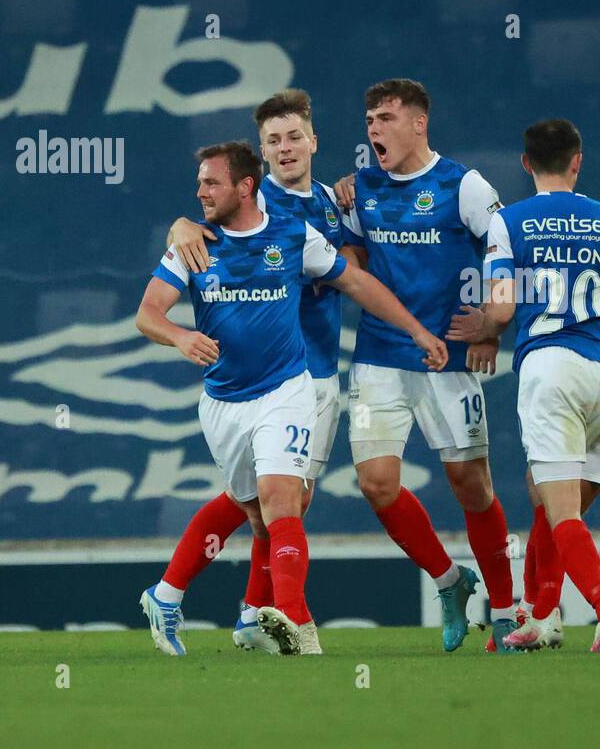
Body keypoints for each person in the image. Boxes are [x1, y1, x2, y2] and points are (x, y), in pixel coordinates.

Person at [136, 141, 447, 657]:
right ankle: (166, 595)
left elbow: (356, 283)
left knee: (283, 497)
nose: (200, 192)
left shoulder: (291, 235)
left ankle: (294, 624)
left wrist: (416, 330)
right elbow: (148, 313)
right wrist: (180, 335)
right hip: (223, 402)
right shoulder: (194, 243)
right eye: (199, 183)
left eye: (211, 182)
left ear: (244, 186)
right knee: (252, 511)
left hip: (287, 389)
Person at [331, 78, 516, 652]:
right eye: (369, 121)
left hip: (448, 360)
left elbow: (503, 247)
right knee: (377, 483)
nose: (374, 130)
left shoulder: (463, 185)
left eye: (385, 118)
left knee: (471, 486)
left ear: (418, 123)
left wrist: (493, 322)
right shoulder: (361, 188)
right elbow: (351, 259)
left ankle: (508, 610)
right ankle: (450, 581)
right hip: (378, 359)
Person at [449, 118, 600, 652]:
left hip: (549, 369)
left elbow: (504, 307)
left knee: (560, 509)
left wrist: (486, 326)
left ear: (525, 163)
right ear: (578, 162)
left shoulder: (509, 223)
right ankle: (540, 616)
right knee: (547, 495)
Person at [165, 90, 351, 653]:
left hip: (320, 371)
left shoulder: (335, 200)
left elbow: (357, 266)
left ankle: (249, 612)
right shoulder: (250, 206)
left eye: (294, 136)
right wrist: (180, 225)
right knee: (276, 501)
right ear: (261, 161)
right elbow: (198, 219)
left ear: (313, 141)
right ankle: (271, 616)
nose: (285, 147)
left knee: (280, 503)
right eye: (273, 140)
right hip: (280, 377)